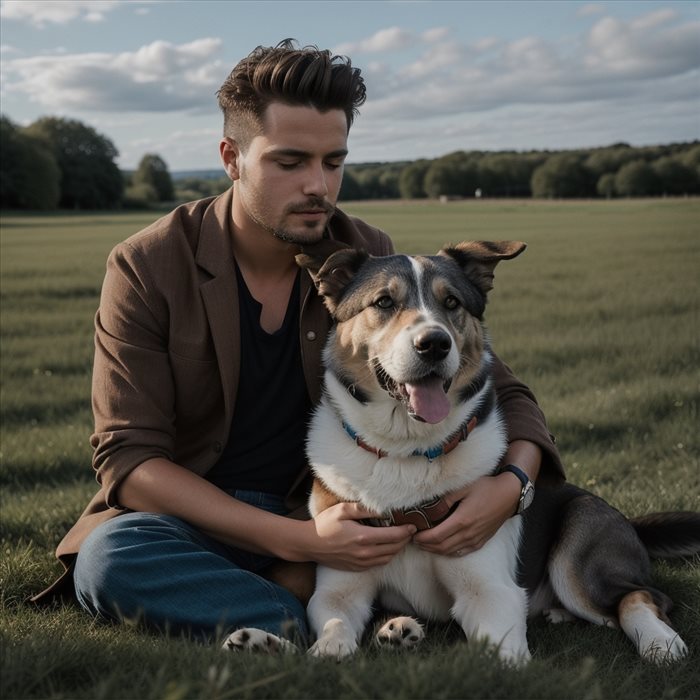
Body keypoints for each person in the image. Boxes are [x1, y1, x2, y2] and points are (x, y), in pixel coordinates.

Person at [32, 39, 564, 645]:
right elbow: (128, 460)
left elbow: (499, 383)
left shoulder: (364, 253)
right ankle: (320, 617)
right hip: (199, 519)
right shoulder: (146, 265)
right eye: (290, 162)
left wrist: (510, 487)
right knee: (110, 559)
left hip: (328, 509)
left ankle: (318, 615)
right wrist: (300, 543)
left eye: (332, 161)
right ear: (231, 157)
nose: (318, 185)